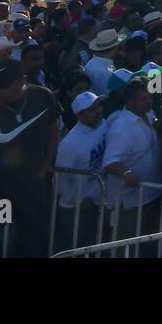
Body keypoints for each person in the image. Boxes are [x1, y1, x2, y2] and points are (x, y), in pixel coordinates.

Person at [0, 58, 60, 257]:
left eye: (3, 88)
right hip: (0, 197)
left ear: (21, 81)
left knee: (34, 244)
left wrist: (45, 166)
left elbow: (52, 129)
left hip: (33, 192)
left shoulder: (42, 96)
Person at [103, 77, 162, 238]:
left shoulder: (147, 113)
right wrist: (126, 173)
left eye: (150, 96)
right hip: (129, 202)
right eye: (144, 99)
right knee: (125, 246)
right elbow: (110, 161)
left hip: (150, 194)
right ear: (129, 102)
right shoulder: (121, 128)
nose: (149, 101)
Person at [53, 90, 107, 251]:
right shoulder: (70, 144)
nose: (99, 111)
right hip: (76, 209)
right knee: (80, 249)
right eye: (93, 109)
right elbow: (60, 178)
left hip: (99, 202)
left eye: (98, 106)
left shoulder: (103, 124)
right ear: (80, 115)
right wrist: (78, 200)